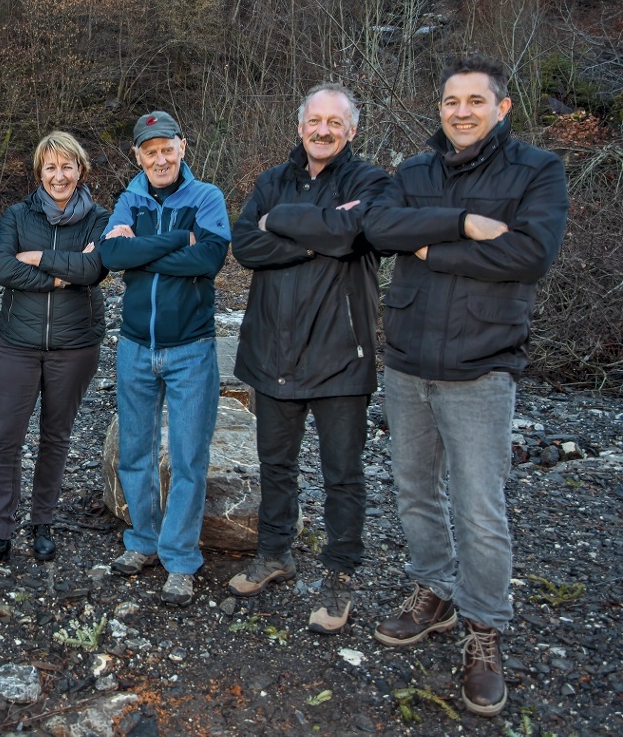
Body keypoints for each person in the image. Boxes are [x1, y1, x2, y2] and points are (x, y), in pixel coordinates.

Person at [364, 54, 568, 716]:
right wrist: (460, 224)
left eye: (474, 101)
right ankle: (435, 592)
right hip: (408, 360)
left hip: (482, 364)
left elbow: (528, 255)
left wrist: (428, 247)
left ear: (501, 108)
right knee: (415, 492)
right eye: (451, 101)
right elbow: (380, 227)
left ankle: (484, 629)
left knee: (481, 510)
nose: (460, 112)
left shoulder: (536, 170)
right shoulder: (415, 171)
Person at [228, 83, 389, 634]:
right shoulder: (272, 180)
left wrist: (283, 223)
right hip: (272, 347)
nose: (323, 130)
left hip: (341, 354)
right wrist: (318, 233)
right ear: (300, 127)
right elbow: (246, 245)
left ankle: (341, 576)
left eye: (335, 122)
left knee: (342, 473)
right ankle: (275, 554)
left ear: (351, 131)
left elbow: (356, 233)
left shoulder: (369, 181)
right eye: (314, 120)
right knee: (276, 464)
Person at [99, 111, 231, 607]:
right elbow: (111, 259)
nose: (159, 158)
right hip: (135, 346)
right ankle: (144, 542)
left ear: (182, 146)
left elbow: (210, 260)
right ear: (138, 155)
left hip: (191, 349)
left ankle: (179, 559)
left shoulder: (207, 197)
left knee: (189, 457)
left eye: (166, 148)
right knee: (134, 452)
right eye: (148, 151)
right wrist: (180, 239)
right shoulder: (129, 198)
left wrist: (142, 250)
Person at [0, 132, 109, 567]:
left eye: (67, 166)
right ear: (39, 173)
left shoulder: (99, 219)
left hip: (76, 344)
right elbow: (1, 268)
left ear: (80, 170)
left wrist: (37, 257)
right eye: (50, 167)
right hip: (18, 343)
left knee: (56, 436)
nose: (59, 175)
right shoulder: (16, 214)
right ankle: (0, 530)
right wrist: (59, 275)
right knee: (5, 437)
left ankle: (43, 523)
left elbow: (95, 269)